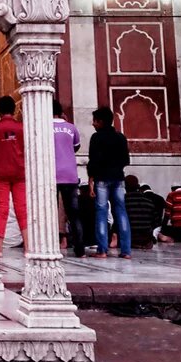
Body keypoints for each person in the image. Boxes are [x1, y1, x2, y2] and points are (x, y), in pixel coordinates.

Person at [87, 106, 132, 258]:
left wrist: (91, 178)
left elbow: (93, 161)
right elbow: (126, 160)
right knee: (121, 212)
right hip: (118, 178)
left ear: (100, 122)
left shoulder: (96, 138)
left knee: (101, 213)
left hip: (102, 179)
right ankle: (126, 251)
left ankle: (102, 250)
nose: (93, 124)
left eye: (95, 121)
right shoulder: (120, 137)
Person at [0, 95, 27, 256]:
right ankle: (28, 247)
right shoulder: (22, 128)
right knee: (22, 209)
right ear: (15, 109)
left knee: (1, 209)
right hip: (20, 172)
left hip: (0, 173)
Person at [53, 100, 83, 257]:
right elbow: (76, 147)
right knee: (73, 214)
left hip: (51, 174)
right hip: (70, 175)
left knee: (49, 213)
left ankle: (50, 246)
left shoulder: (45, 127)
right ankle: (80, 250)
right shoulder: (71, 127)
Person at [124, 175, 165, 249]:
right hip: (146, 241)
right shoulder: (149, 202)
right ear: (138, 186)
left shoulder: (123, 201)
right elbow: (157, 222)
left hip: (129, 239)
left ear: (125, 187)